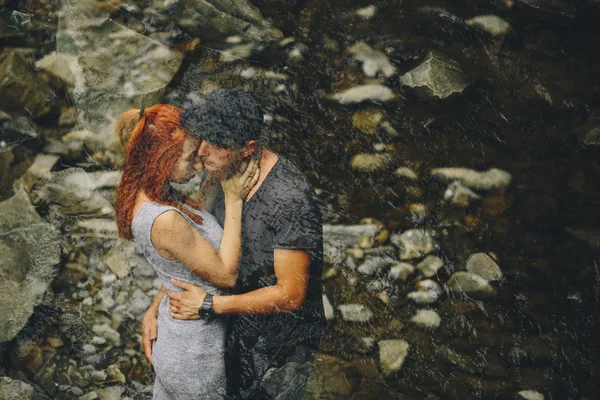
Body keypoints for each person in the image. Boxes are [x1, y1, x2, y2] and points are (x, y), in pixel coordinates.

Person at [143, 89, 326, 399]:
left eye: (215, 145)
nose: (201, 152)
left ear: (248, 148)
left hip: (278, 345)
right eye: (202, 138)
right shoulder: (221, 169)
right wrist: (159, 304)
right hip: (230, 324)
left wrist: (208, 306)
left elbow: (291, 294)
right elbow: (196, 246)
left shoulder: (290, 200)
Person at [114, 104, 259, 399]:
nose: (198, 163)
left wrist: (216, 176)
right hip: (195, 360)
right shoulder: (164, 220)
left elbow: (187, 243)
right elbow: (226, 275)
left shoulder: (152, 193)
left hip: (176, 340)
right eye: (191, 158)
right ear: (160, 160)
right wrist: (233, 200)